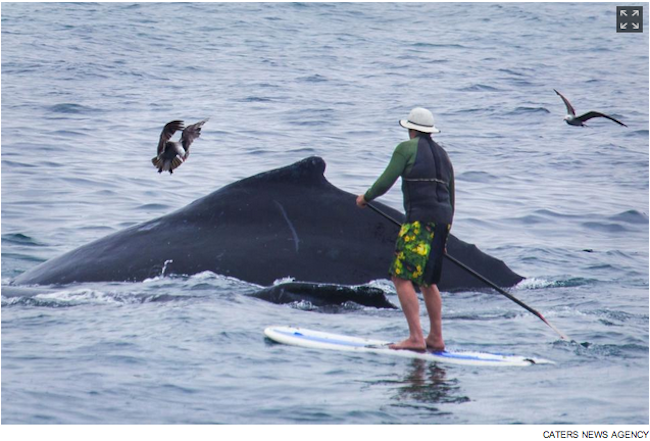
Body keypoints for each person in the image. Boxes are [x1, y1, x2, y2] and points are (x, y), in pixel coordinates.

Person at [356, 107, 455, 352]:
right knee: (428, 281)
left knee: (400, 277)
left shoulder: (406, 149)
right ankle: (435, 337)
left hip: (418, 222)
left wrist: (366, 198)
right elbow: (451, 197)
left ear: (411, 129)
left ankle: (415, 338)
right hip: (442, 222)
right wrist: (445, 233)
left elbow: (385, 181)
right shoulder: (444, 156)